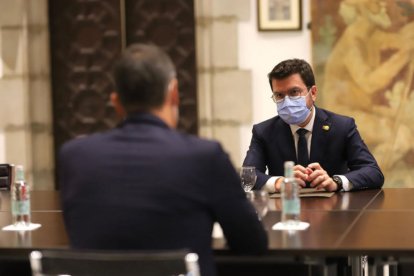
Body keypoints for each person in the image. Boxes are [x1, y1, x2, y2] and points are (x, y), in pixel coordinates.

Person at [59, 43, 268, 276]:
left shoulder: (74, 156)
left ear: (116, 102)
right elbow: (252, 243)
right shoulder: (204, 156)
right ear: (174, 93)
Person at [243, 58, 384, 193]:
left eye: (294, 92)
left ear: (313, 93)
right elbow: (247, 177)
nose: (287, 101)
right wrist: (280, 182)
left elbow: (373, 172)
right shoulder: (263, 132)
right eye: (279, 95)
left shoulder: (342, 126)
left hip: (335, 212)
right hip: (285, 211)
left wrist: (336, 182)